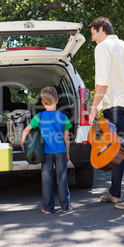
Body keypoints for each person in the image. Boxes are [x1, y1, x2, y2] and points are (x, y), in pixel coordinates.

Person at [88, 16, 124, 210]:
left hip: (113, 105)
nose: (93, 39)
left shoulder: (103, 48)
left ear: (101, 29)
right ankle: (114, 193)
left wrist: (94, 105)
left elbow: (102, 81)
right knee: (117, 149)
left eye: (93, 34)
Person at [21, 86, 73, 214]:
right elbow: (67, 137)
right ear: (57, 100)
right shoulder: (63, 117)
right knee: (62, 179)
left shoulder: (39, 117)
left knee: (47, 180)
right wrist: (67, 152)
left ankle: (48, 207)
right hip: (61, 152)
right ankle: (66, 206)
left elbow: (26, 130)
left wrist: (23, 144)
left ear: (43, 103)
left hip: (46, 153)